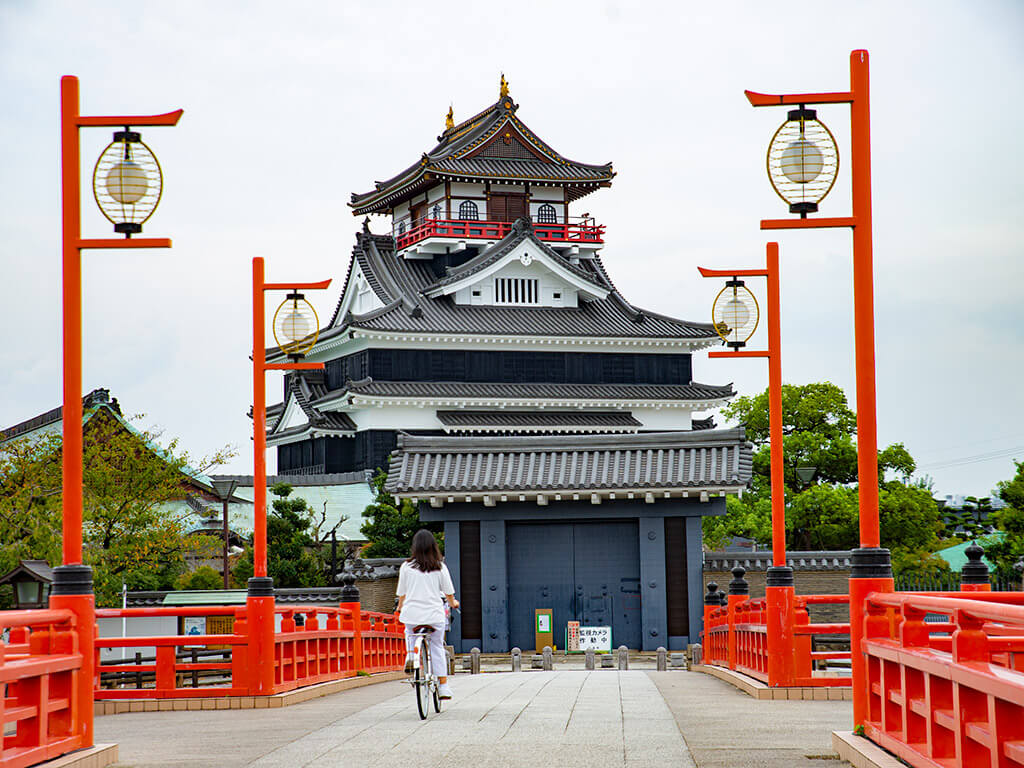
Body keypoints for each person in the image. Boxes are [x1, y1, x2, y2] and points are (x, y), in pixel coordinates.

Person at [396, 529, 459, 700]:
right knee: (436, 646)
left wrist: (400, 607)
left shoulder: (406, 567)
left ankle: (411, 655)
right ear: (433, 547)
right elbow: (449, 593)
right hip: (434, 615)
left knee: (410, 633)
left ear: (414, 547)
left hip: (412, 613)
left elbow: (402, 593)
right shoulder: (440, 567)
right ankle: (444, 686)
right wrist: (453, 603)